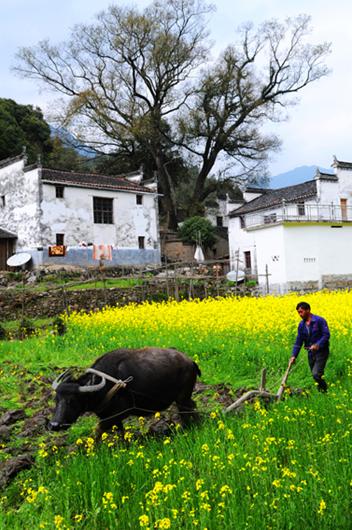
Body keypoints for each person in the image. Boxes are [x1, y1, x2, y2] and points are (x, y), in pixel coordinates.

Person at [289, 301, 330, 392]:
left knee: (316, 374)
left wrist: (318, 345)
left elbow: (326, 335)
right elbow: (298, 341)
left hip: (321, 352)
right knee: (315, 375)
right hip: (310, 353)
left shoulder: (319, 321)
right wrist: (293, 356)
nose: (300, 314)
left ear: (308, 310)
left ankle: (325, 391)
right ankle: (322, 393)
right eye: (298, 312)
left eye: (301, 312)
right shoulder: (301, 325)